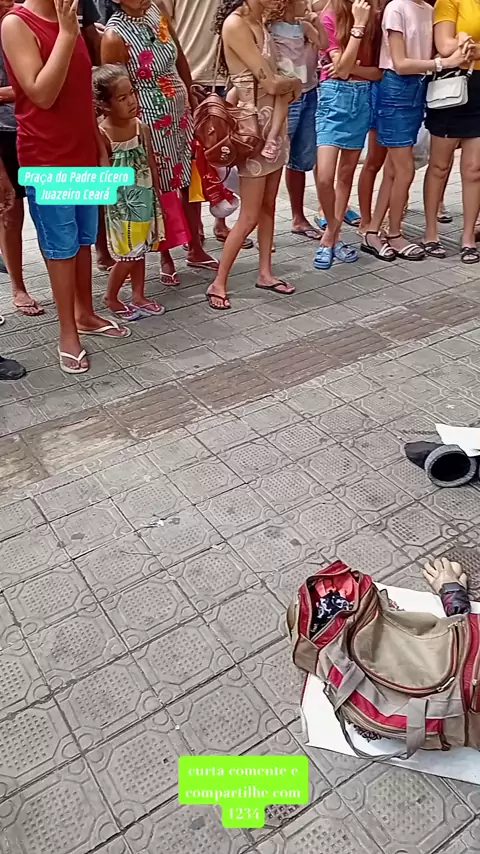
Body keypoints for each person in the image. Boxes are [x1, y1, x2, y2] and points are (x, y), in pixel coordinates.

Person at [1, 0, 130, 375]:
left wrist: (97, 144)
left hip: (82, 150)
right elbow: (41, 94)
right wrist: (68, 34)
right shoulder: (16, 23)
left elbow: (81, 91)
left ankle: (85, 313)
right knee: (61, 248)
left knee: (84, 239)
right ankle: (67, 333)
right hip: (47, 156)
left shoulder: (68, 17)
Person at [101, 0, 219, 286]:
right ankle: (165, 254)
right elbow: (114, 89)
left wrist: (189, 93)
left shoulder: (156, 10)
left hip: (179, 111)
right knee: (160, 185)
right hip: (148, 118)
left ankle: (195, 246)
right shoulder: (114, 35)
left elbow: (179, 56)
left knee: (188, 178)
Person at [206, 0, 301, 310]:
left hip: (275, 126)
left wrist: (287, 85)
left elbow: (274, 82)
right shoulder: (236, 23)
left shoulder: (259, 21)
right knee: (248, 216)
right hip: (252, 132)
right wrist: (295, 82)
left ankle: (265, 272)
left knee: (268, 205)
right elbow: (271, 82)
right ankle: (218, 281)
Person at [361, 0, 465, 262]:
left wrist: (459, 44)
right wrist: (443, 63)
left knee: (394, 170)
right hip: (395, 89)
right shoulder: (396, 7)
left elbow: (434, 52)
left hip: (418, 88)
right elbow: (400, 63)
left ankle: (373, 232)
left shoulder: (429, 10)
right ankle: (394, 233)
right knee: (404, 170)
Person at [93, 63, 166, 320]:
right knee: (128, 255)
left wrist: (157, 196)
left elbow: (151, 163)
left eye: (132, 93)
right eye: (122, 98)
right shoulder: (102, 134)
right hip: (122, 206)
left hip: (145, 199)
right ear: (104, 104)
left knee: (140, 249)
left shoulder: (140, 127)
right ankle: (111, 296)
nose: (131, 101)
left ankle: (138, 295)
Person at [314, 0, 381, 270]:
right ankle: (331, 227)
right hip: (333, 97)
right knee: (324, 176)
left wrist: (350, 66)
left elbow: (376, 72)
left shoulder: (375, 17)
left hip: (361, 98)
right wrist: (358, 26)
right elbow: (339, 69)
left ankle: (330, 237)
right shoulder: (330, 15)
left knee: (345, 175)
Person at [422, 0, 480, 263]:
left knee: (474, 169)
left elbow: (459, 47)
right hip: (453, 84)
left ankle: (468, 237)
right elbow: (445, 46)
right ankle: (430, 234)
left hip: (478, 88)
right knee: (439, 166)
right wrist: (461, 44)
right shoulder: (449, 2)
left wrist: (470, 46)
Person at [268, 0, 327, 239]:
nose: (307, 3)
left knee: (300, 160)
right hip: (286, 98)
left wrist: (316, 24)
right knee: (274, 161)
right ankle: (264, 224)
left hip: (309, 93)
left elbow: (324, 44)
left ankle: (298, 217)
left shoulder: (304, 26)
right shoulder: (270, 28)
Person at [0, 0, 43, 316]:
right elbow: (36, 85)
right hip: (4, 133)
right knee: (10, 212)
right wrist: (28, 88)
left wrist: (25, 89)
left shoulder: (26, 19)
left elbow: (43, 84)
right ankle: (18, 286)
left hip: (39, 130)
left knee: (53, 208)